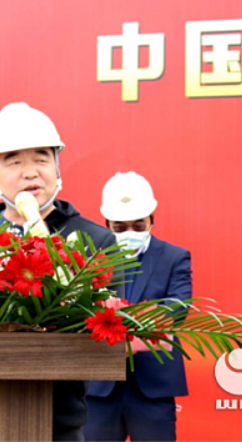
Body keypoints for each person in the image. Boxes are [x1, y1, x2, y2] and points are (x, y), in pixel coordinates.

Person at [0, 102, 117, 441]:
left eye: (41, 159)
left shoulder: (96, 240)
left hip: (59, 419)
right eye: (14, 161)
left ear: (57, 168)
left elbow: (104, 326)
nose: (30, 172)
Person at [84, 172, 191, 442]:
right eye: (120, 228)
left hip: (152, 386)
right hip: (99, 388)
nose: (129, 233)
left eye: (138, 226)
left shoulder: (174, 257)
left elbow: (177, 306)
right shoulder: (88, 260)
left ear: (152, 220)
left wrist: (129, 330)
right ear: (107, 224)